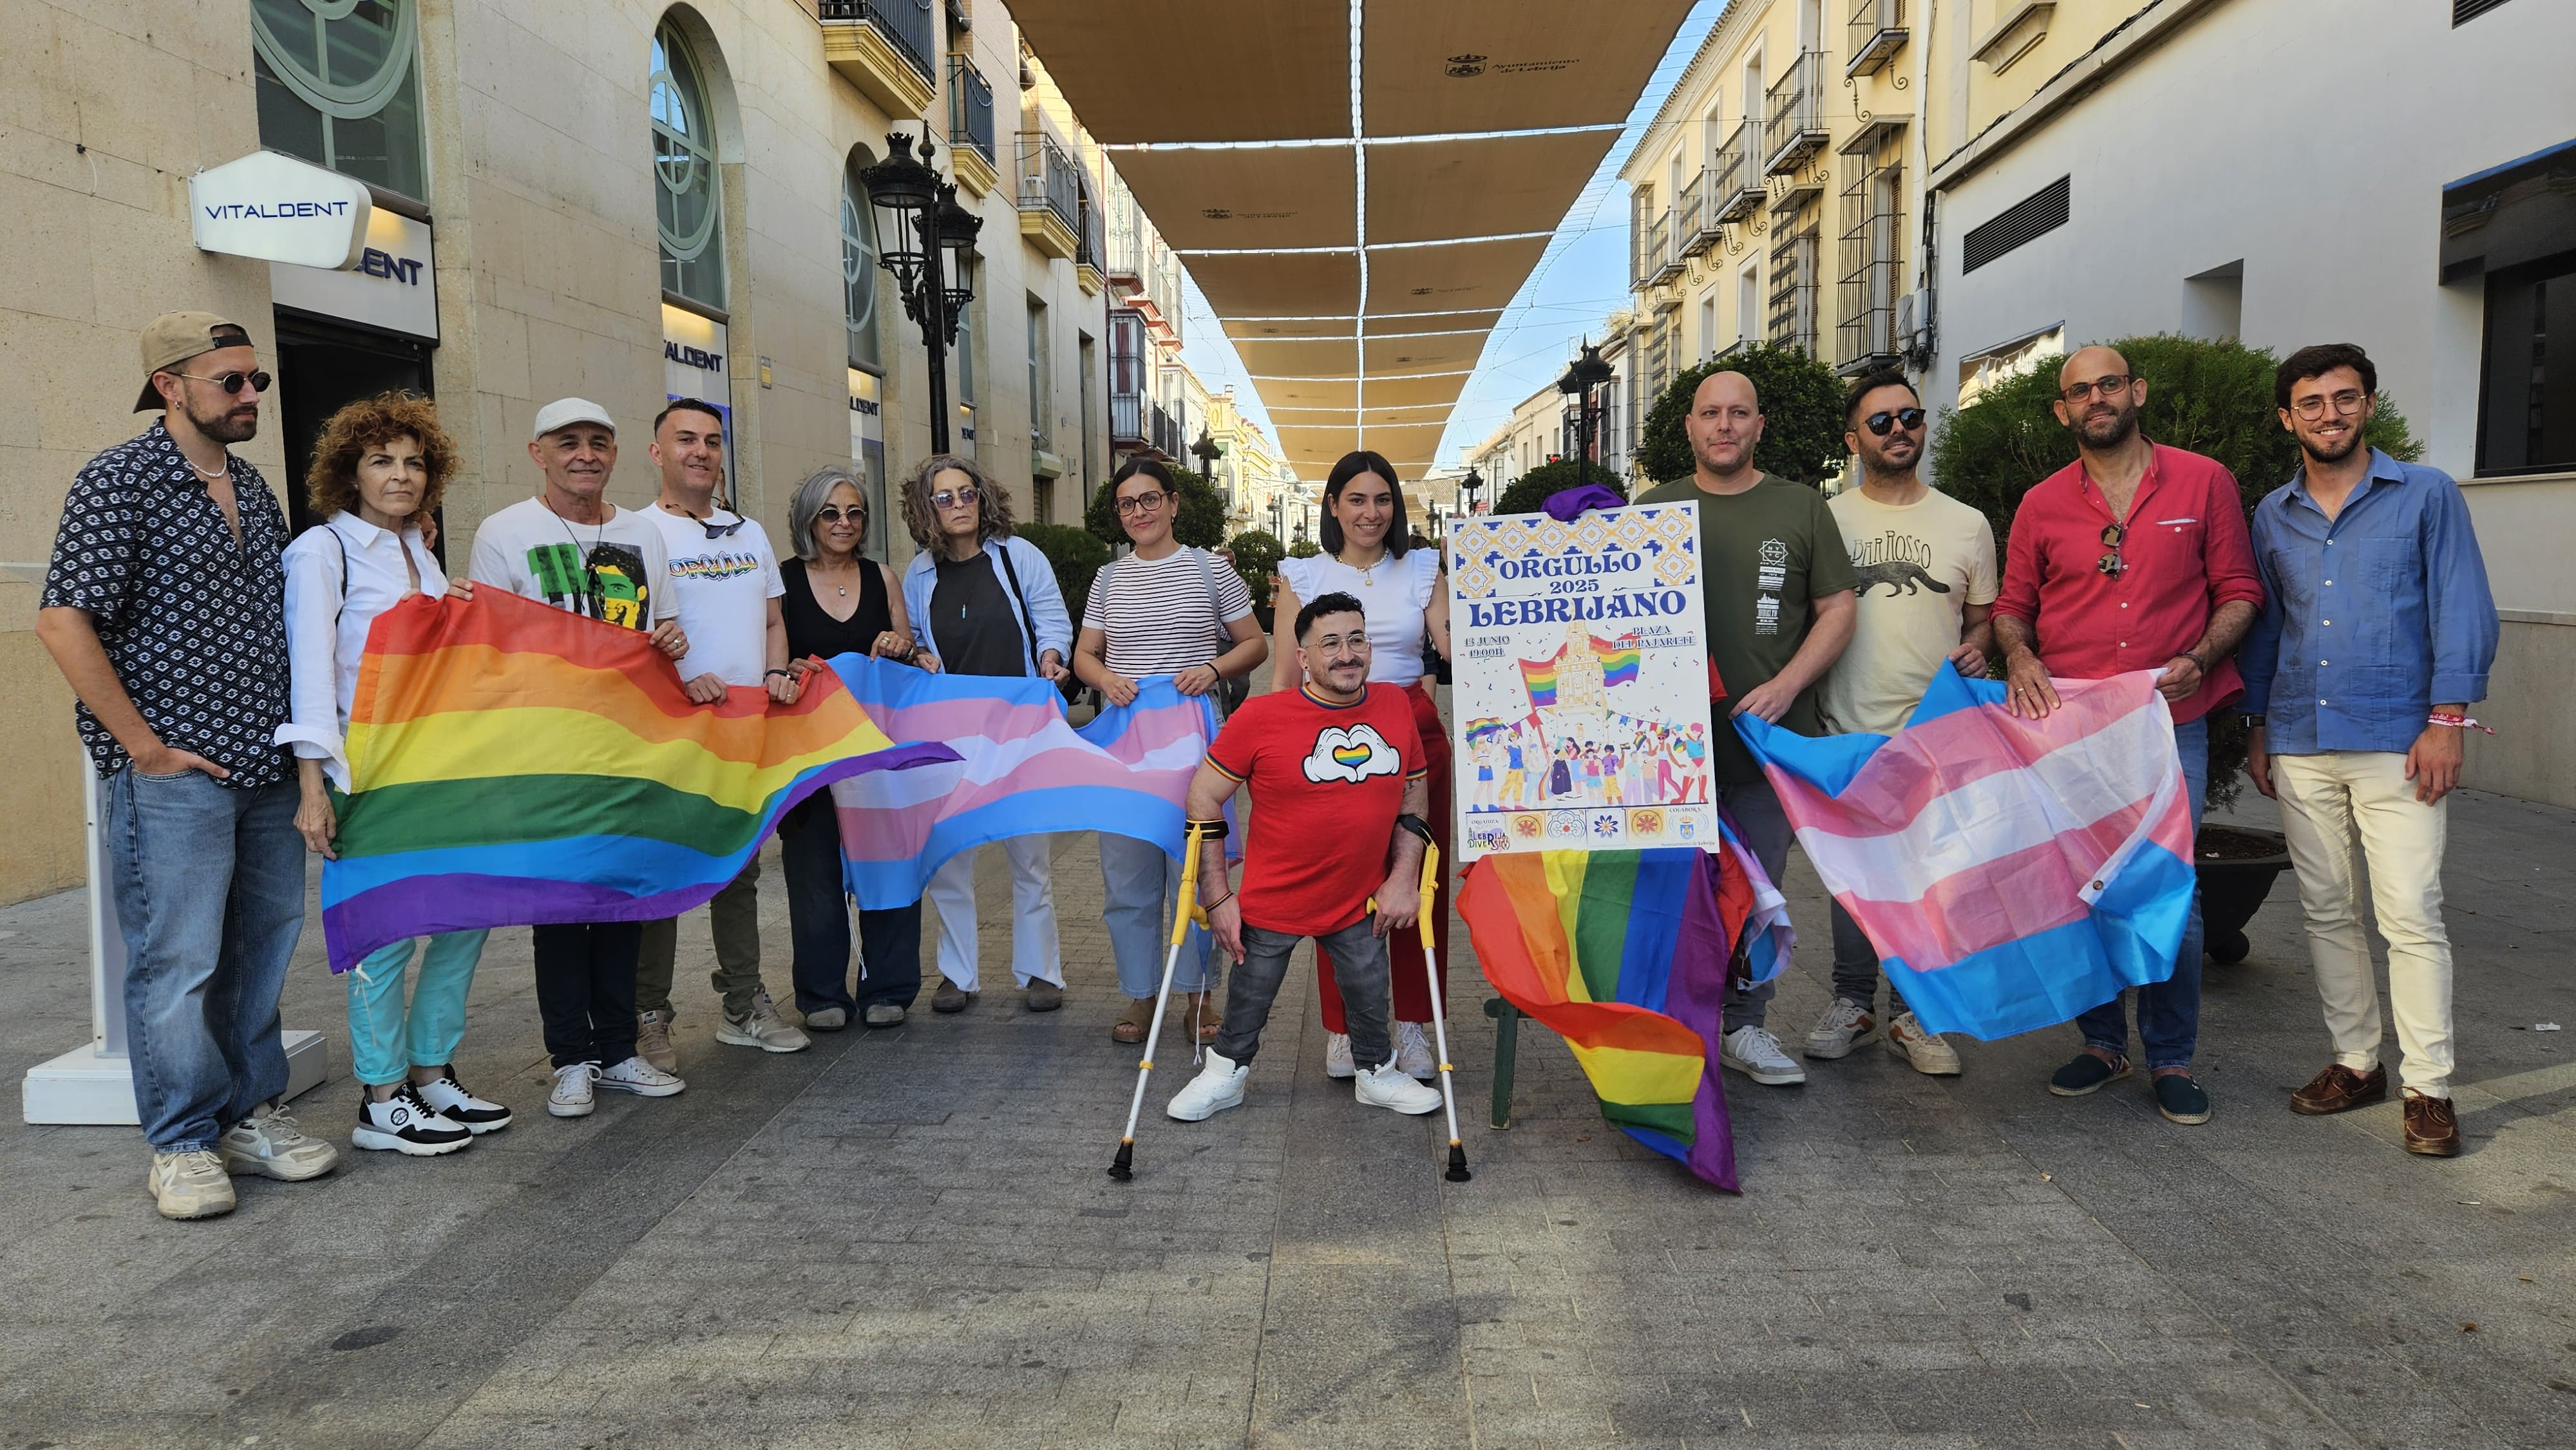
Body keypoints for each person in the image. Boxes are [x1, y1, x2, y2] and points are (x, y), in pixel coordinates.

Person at [36, 312, 341, 1218]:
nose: (252, 397)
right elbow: (63, 620)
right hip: (174, 773)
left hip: (265, 765)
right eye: (231, 382)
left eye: (258, 382)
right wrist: (143, 748)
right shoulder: (120, 479)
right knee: (178, 962)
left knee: (260, 952)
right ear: (171, 385)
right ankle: (179, 1142)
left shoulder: (254, 485)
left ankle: (251, 1114)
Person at [1993, 345, 2264, 1126]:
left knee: (2167, 893)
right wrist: (2017, 653)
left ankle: (2172, 1055)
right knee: (2082, 887)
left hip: (2164, 723)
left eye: (2109, 384)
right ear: (2062, 410)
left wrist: (2200, 655)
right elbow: (2013, 604)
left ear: (2136, 392)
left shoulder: (2203, 480)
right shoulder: (2041, 503)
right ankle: (2103, 1042)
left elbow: (2240, 590)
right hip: (2070, 732)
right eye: (2078, 391)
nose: (2096, 399)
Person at [2240, 344, 2498, 1158]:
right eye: (2310, 403)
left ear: (2369, 405)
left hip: (2400, 738)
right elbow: (2270, 626)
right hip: (2301, 737)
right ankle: (2356, 1062)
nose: (2329, 414)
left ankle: (2429, 1084)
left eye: (2344, 398)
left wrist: (2447, 718)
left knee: (2411, 914)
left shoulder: (2424, 493)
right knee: (2324, 910)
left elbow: (2462, 603)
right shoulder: (2271, 513)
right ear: (2288, 418)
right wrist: (2257, 725)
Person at [279, 392, 511, 1156]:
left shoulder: (421, 550)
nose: (401, 475)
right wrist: (313, 785)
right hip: (367, 768)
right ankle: (381, 1098)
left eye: (414, 462)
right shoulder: (324, 551)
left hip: (442, 766)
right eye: (382, 461)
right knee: (384, 933)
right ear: (351, 472)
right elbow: (311, 672)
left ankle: (431, 1068)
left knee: (460, 916)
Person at [469, 398, 692, 1118]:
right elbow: (487, 647)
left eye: (599, 442)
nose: (585, 455)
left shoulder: (642, 533)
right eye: (569, 443)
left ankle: (621, 1050)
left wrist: (671, 645)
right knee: (562, 909)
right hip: (548, 750)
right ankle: (571, 1058)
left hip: (627, 746)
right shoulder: (504, 531)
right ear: (539, 453)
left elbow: (665, 625)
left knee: (621, 899)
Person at [1635, 372, 1858, 1088]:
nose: (1723, 425)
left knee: (1758, 893)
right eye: (1710, 413)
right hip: (1669, 758)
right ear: (1690, 428)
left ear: (1759, 425)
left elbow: (1837, 609)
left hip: (1766, 748)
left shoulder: (1799, 506)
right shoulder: (1654, 508)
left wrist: (1787, 684)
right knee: (1676, 895)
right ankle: (1677, 1027)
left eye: (1737, 413)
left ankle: (1746, 1025)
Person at [1162, 592, 1445, 1121]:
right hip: (1274, 899)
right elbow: (1203, 796)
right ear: (1304, 657)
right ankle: (1225, 1074)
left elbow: (1413, 798)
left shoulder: (1394, 707)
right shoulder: (1263, 716)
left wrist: (1403, 878)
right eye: (1330, 643)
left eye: (1357, 639)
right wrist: (1217, 894)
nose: (1347, 654)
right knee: (1251, 994)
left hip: (1360, 896)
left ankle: (1377, 1073)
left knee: (1367, 988)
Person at [1804, 369, 1998, 1078]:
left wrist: (1982, 649)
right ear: (1852, 437)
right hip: (1845, 727)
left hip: (1940, 736)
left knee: (1931, 878)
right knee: (1856, 876)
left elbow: (1982, 621)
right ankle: (1852, 1003)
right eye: (1880, 421)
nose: (1898, 431)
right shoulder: (1824, 519)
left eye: (1909, 417)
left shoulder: (1966, 523)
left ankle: (1915, 1013)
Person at [632, 398, 810, 1066]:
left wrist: (773, 673)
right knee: (663, 873)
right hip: (670, 728)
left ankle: (743, 1004)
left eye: (711, 440)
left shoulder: (749, 533)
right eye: (685, 439)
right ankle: (649, 1012)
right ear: (658, 452)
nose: (700, 451)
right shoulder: (637, 532)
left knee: (738, 870)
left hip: (742, 726)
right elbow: (627, 634)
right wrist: (680, 673)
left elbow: (771, 621)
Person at [1072, 458, 1268, 1046]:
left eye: (1150, 500)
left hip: (1194, 739)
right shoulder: (1109, 580)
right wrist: (1105, 680)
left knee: (1197, 870)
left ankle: (1200, 996)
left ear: (1174, 503)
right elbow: (1085, 653)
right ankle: (1140, 991)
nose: (1140, 512)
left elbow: (1254, 643)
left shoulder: (1211, 571)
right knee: (1127, 874)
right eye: (1128, 504)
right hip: (1126, 742)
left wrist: (1211, 668)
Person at [1273, 451, 1454, 1080]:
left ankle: (1408, 1021)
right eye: (1356, 498)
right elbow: (1282, 674)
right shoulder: (1302, 572)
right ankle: (1345, 1024)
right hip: (1328, 734)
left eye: (1382, 499)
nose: (1370, 512)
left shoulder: (1423, 566)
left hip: (1410, 725)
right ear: (1332, 505)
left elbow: (1455, 641)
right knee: (1339, 883)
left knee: (1415, 879)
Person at [899, 454, 1073, 1013]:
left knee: (1030, 860)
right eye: (943, 497)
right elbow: (917, 641)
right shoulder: (919, 573)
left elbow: (1051, 620)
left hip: (1019, 730)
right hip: (952, 735)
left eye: (966, 493)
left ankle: (1041, 973)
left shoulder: (1019, 557)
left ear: (984, 497)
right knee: (951, 856)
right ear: (926, 508)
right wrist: (920, 655)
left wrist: (1052, 655)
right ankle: (957, 975)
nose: (957, 506)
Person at [776, 466, 933, 1031]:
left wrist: (899, 645)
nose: (844, 523)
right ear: (808, 520)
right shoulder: (783, 581)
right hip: (809, 755)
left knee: (889, 861)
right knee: (812, 871)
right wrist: (785, 667)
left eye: (855, 512)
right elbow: (769, 657)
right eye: (831, 513)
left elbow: (910, 658)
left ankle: (888, 986)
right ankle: (821, 994)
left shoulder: (882, 577)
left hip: (876, 752)